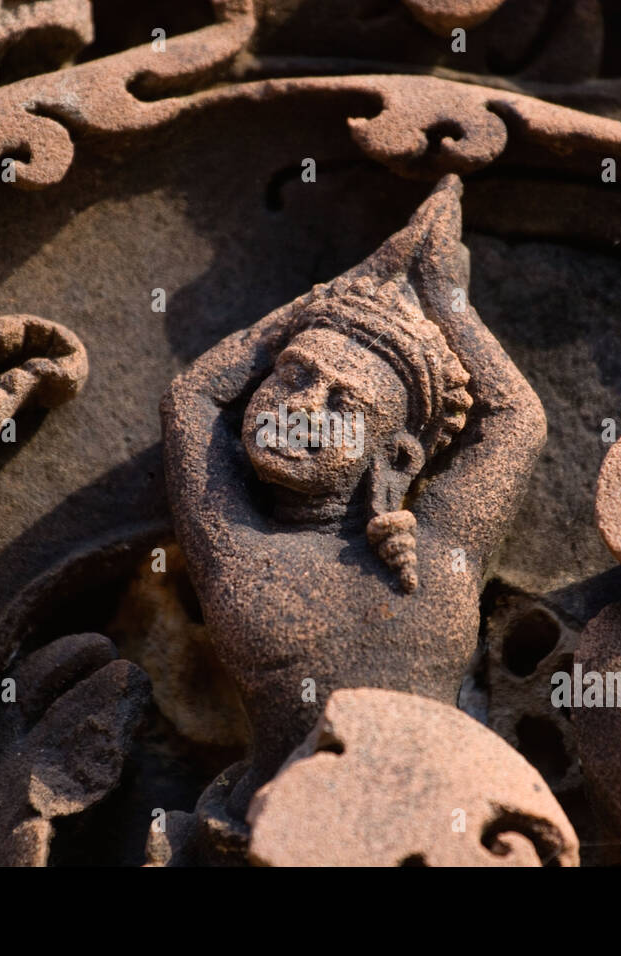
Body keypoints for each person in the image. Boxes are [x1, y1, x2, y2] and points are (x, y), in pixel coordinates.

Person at [161, 175, 546, 814]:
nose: (304, 409)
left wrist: (442, 295)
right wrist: (346, 287)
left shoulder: (442, 545)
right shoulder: (237, 548)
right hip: (276, 829)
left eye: (344, 404)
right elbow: (192, 398)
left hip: (435, 825)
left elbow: (516, 419)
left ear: (394, 455)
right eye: (292, 376)